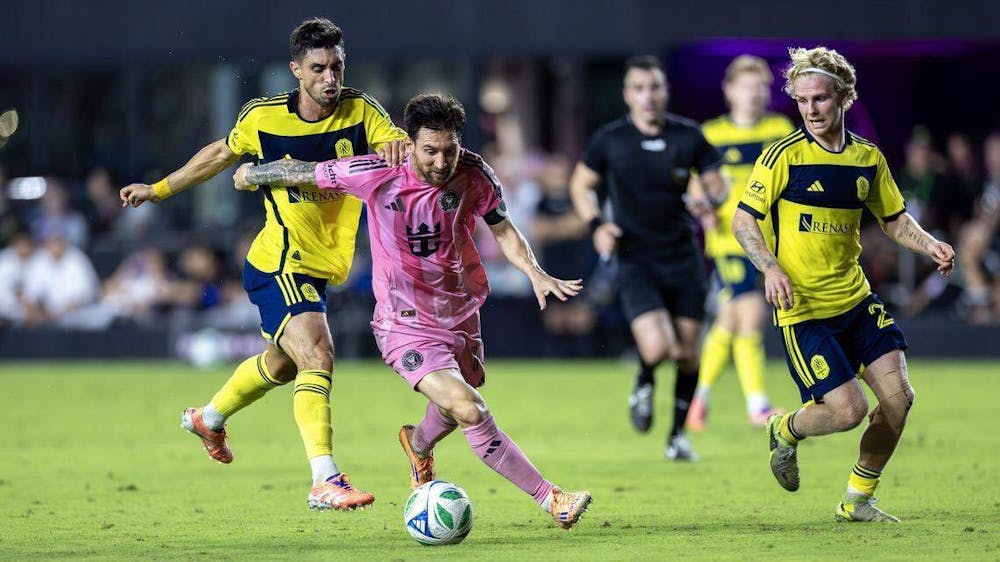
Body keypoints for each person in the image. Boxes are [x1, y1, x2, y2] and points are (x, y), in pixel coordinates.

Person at [233, 93, 593, 530]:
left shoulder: (474, 174)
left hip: (460, 313)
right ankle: (551, 497)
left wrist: (535, 272)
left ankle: (417, 445)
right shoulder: (375, 172)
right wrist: (254, 173)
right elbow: (302, 172)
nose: (441, 162)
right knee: (470, 408)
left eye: (449, 150)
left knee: (453, 404)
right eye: (430, 151)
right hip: (404, 324)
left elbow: (504, 229)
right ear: (409, 144)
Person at [119, 17, 409, 511]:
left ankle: (207, 419)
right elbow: (220, 155)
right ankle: (325, 479)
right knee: (318, 355)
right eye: (318, 68)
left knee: (281, 364)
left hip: (322, 266)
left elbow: (394, 145)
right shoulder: (263, 117)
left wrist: (397, 150)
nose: (330, 77)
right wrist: (160, 188)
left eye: (337, 65)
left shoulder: (361, 111)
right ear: (296, 69)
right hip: (280, 261)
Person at [731, 46, 955, 522]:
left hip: (855, 300)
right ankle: (785, 428)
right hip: (804, 309)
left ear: (844, 98)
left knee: (899, 399)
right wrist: (770, 267)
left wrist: (930, 243)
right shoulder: (782, 157)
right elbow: (743, 221)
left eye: (820, 100)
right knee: (848, 411)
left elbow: (894, 220)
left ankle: (857, 500)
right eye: (802, 100)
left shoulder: (867, 158)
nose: (811, 110)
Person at [569, 55, 727, 460]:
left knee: (689, 354)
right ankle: (643, 379)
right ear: (627, 95)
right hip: (636, 259)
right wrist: (597, 226)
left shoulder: (688, 135)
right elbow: (581, 185)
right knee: (659, 349)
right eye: (639, 88)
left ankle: (677, 437)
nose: (648, 96)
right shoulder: (611, 139)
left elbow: (718, 185)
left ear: (665, 90)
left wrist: (705, 199)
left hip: (683, 258)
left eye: (654, 87)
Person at [687, 55, 794, 431]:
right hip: (730, 242)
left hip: (770, 242)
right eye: (746, 86)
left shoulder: (779, 129)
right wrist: (701, 208)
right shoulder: (712, 134)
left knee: (729, 322)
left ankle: (696, 398)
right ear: (730, 90)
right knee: (750, 317)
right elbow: (693, 183)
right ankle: (757, 406)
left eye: (760, 87)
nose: (753, 94)